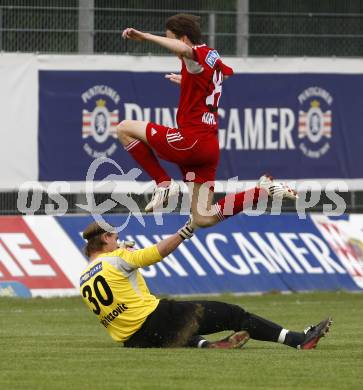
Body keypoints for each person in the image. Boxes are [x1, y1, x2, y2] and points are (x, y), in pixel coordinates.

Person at [117, 14, 298, 230]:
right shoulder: (211, 55)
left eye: (172, 41)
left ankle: (164, 184)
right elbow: (224, 75)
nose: (173, 49)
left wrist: (145, 36)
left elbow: (186, 51)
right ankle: (264, 191)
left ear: (183, 39)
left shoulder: (195, 55)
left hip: (190, 141)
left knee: (124, 128)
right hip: (208, 147)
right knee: (203, 216)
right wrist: (191, 83)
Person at [80, 221, 332, 349]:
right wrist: (186, 230)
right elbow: (157, 252)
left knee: (181, 331)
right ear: (104, 238)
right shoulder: (118, 258)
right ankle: (298, 340)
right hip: (154, 319)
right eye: (115, 237)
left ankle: (206, 346)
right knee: (234, 314)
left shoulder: (83, 279)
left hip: (134, 340)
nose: (119, 239)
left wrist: (123, 257)